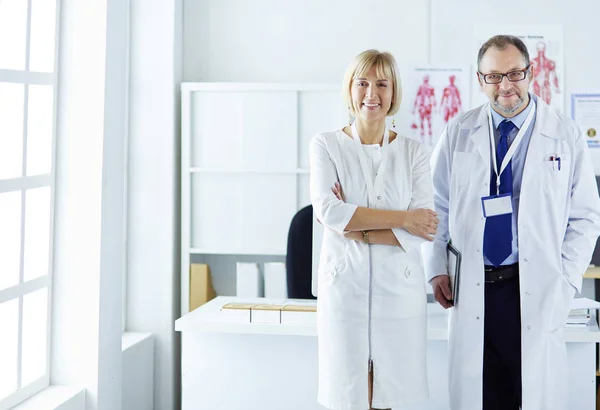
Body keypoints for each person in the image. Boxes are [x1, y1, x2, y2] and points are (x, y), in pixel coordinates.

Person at [422, 35, 600, 410]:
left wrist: (565, 280)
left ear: (531, 73)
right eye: (494, 76)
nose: (505, 86)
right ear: (480, 79)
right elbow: (435, 205)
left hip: (533, 284)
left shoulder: (565, 134)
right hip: (472, 285)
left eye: (515, 73)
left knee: (528, 395)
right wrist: (436, 268)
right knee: (482, 395)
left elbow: (585, 218)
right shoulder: (459, 132)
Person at [309, 49, 438, 410]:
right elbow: (329, 211)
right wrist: (401, 218)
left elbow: (423, 227)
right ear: (349, 90)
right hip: (345, 292)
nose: (372, 93)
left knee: (390, 397)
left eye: (382, 84)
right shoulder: (326, 145)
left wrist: (356, 226)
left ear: (394, 92)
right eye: (362, 83)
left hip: (399, 294)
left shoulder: (415, 153)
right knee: (349, 398)